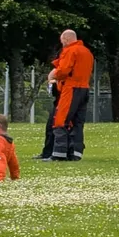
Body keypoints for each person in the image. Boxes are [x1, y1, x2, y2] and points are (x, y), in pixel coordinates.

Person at [38, 29, 94, 161]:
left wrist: (54, 77)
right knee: (77, 121)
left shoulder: (70, 50)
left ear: (66, 39)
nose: (62, 44)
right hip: (84, 88)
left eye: (62, 41)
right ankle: (75, 153)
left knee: (60, 120)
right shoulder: (87, 52)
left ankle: (59, 153)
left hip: (71, 88)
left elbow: (63, 70)